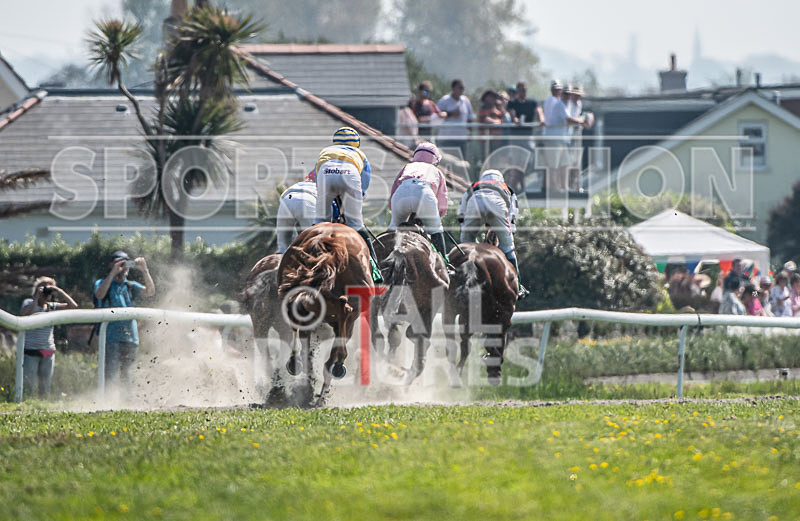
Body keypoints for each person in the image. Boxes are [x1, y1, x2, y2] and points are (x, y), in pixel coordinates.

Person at [314, 126, 382, 282]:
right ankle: (375, 267)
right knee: (357, 224)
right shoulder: (360, 154)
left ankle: (304, 262)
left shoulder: (325, 151)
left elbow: (319, 182)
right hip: (350, 173)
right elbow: (363, 186)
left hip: (326, 171)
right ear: (356, 144)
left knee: (319, 223)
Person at [457, 169, 528, 299]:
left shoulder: (474, 186)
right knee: (508, 248)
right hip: (497, 205)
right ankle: (518, 285)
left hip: (475, 203)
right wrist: (509, 235)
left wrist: (466, 234)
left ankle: (453, 276)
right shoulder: (507, 188)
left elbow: (461, 212)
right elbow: (513, 214)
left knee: (465, 244)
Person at [93, 251, 155, 393]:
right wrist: (113, 273)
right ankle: (107, 400)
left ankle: (126, 402)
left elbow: (150, 292)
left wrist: (145, 271)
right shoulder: (102, 283)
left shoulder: (130, 286)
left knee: (128, 374)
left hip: (131, 338)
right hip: (110, 337)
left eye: (126, 263)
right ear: (111, 265)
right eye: (120, 263)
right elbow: (100, 295)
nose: (123, 267)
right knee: (110, 373)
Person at [389, 142, 454, 273]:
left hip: (401, 194)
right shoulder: (436, 171)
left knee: (392, 229)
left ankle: (382, 261)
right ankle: (444, 266)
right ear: (435, 160)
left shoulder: (408, 166)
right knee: (436, 230)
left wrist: (393, 210)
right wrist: (438, 215)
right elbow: (442, 199)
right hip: (424, 195)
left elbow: (394, 190)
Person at [20, 276, 77, 399]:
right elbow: (28, 314)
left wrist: (58, 290)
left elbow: (74, 306)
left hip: (48, 350)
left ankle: (43, 406)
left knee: (45, 387)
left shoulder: (52, 306)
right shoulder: (29, 303)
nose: (47, 292)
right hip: (31, 351)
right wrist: (37, 297)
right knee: (28, 386)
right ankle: (26, 404)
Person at [541, 80, 586, 192]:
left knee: (565, 165)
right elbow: (569, 119)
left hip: (562, 140)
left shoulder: (568, 105)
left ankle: (564, 187)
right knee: (553, 166)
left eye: (569, 94)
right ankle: (553, 188)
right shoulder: (560, 104)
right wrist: (581, 120)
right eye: (565, 93)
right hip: (553, 140)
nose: (568, 96)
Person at [276, 171, 318, 254]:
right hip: (307, 200)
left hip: (287, 199)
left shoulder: (301, 183)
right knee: (314, 248)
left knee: (282, 249)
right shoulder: (326, 186)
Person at [437, 79, 475, 160]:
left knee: (461, 163)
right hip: (447, 139)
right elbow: (437, 116)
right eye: (460, 88)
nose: (462, 90)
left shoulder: (465, 101)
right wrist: (451, 113)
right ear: (453, 88)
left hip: (461, 138)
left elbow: (470, 118)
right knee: (446, 161)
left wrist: (470, 133)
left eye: (463, 88)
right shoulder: (444, 100)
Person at [507, 81, 544, 150]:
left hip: (528, 134)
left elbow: (539, 110)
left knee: (530, 153)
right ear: (517, 90)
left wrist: (542, 120)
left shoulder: (532, 102)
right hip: (515, 135)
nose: (523, 91)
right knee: (516, 155)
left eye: (525, 89)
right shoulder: (512, 103)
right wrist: (515, 119)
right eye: (521, 90)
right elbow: (512, 114)